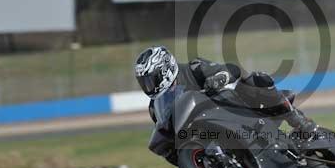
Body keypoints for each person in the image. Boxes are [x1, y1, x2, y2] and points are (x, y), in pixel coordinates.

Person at [134, 45, 319, 133]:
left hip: (234, 108)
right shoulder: (155, 108)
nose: (148, 86)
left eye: (151, 80)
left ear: (165, 68)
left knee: (257, 80)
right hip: (208, 132)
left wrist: (219, 78)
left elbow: (231, 69)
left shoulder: (195, 68)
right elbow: (166, 131)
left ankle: (299, 122)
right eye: (145, 82)